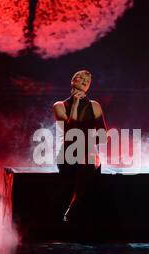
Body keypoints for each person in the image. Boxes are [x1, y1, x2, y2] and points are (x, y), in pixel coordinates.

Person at [53, 70, 107, 222]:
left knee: (89, 155)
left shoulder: (95, 106)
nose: (85, 81)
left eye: (88, 80)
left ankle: (73, 206)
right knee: (85, 155)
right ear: (73, 80)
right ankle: (74, 207)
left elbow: (103, 137)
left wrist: (86, 143)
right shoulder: (60, 106)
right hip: (68, 155)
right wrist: (76, 104)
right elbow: (71, 132)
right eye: (82, 78)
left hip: (89, 156)